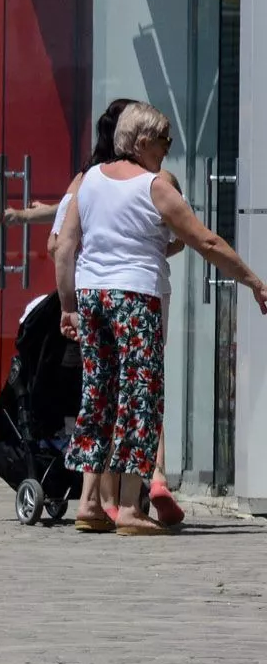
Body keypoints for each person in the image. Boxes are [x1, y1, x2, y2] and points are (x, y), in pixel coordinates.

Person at [55, 102, 267, 534]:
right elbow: (205, 241)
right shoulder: (153, 187)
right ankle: (131, 510)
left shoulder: (90, 180)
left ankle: (89, 503)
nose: (169, 149)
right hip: (136, 297)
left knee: (98, 395)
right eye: (165, 140)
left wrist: (68, 304)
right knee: (140, 398)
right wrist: (254, 281)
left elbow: (65, 246)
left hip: (93, 296)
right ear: (143, 141)